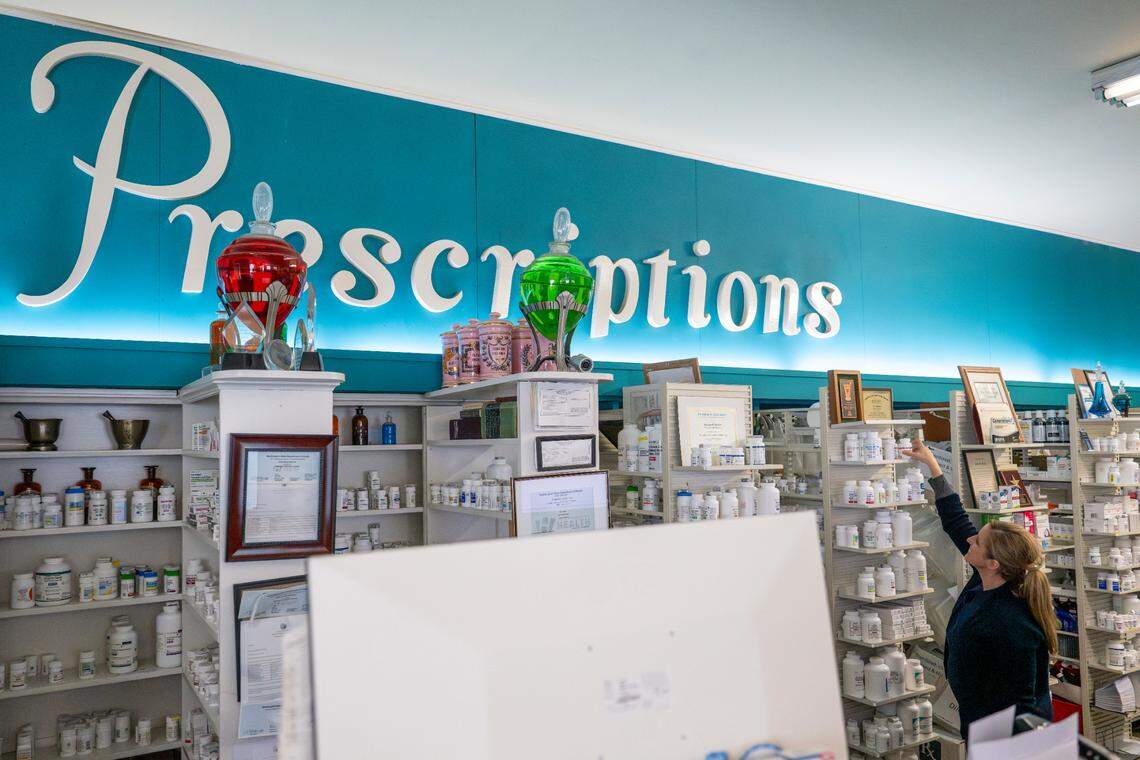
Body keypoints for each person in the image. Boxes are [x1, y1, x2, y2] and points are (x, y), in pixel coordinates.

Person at [902, 438, 1056, 740]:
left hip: (1008, 736)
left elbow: (1022, 702)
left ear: (994, 563)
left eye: (978, 541)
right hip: (981, 723)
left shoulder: (1014, 621)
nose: (970, 541)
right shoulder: (984, 582)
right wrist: (931, 465)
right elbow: (956, 521)